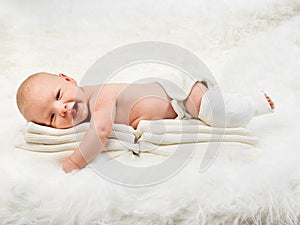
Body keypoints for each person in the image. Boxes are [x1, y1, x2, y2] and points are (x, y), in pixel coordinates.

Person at [16, 72, 275, 173]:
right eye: (50, 117)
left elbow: (102, 131)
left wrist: (74, 162)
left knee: (219, 114)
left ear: (68, 79)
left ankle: (254, 104)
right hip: (175, 108)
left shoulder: (99, 97)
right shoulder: (83, 111)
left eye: (59, 96)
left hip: (181, 93)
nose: (61, 110)